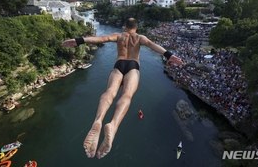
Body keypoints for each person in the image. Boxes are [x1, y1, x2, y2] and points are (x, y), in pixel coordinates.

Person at [62, 18, 183, 159]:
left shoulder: (119, 36)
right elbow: (152, 45)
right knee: (126, 95)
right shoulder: (140, 37)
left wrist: (79, 40)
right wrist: (169, 55)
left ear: (125, 27)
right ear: (136, 28)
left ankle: (98, 120)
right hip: (133, 66)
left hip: (118, 64)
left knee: (109, 92)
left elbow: (101, 39)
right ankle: (113, 126)